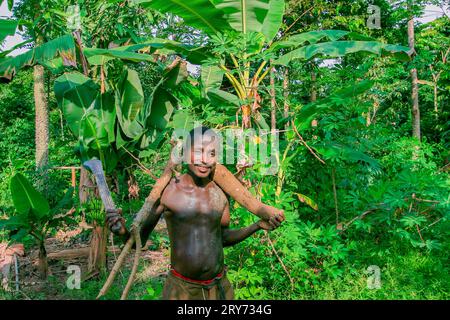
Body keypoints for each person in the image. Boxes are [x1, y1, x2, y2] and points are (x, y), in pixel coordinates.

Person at [107, 126, 284, 300]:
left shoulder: (220, 192)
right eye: (199, 152)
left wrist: (256, 226)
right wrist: (122, 232)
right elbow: (138, 242)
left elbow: (222, 238)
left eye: (212, 154)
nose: (205, 160)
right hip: (182, 290)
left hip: (219, 287)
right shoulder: (168, 192)